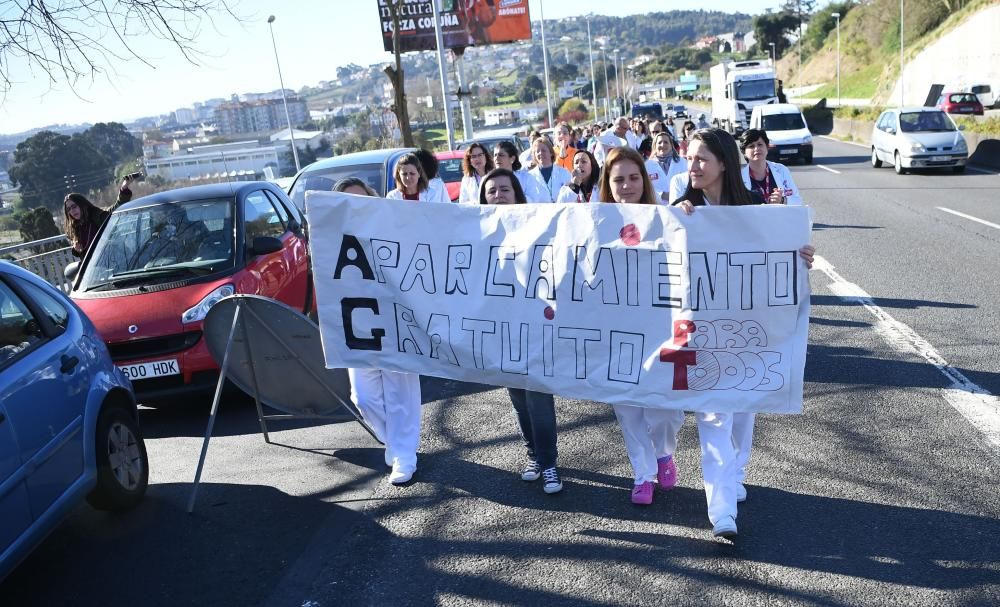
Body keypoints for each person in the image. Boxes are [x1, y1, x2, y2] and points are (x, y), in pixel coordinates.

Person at [672, 128, 815, 538]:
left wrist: (801, 255)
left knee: (743, 412)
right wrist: (674, 223)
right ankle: (721, 514)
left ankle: (736, 473)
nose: (693, 166)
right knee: (713, 415)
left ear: (722, 163)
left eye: (701, 159)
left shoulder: (755, 207)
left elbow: (781, 256)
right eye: (689, 158)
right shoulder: (684, 209)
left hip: (750, 332)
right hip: (700, 335)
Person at [594, 146, 686, 507]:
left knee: (665, 411)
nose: (627, 186)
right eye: (618, 180)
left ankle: (663, 452)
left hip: (660, 329)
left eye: (634, 178)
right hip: (617, 333)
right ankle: (642, 474)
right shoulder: (592, 223)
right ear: (608, 184)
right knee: (628, 409)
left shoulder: (666, 218)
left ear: (645, 181)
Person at [477, 167, 563, 494]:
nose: (498, 195)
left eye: (505, 189)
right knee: (517, 398)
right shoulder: (475, 233)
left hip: (537, 325)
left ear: (517, 194)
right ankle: (535, 456)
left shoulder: (537, 227)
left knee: (538, 395)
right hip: (500, 329)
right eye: (492, 191)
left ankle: (550, 462)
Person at [333, 176, 424, 485]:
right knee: (363, 397)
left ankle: (404, 454)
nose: (356, 205)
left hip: (395, 321)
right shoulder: (329, 237)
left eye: (362, 198)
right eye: (348, 201)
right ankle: (396, 443)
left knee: (401, 393)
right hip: (356, 326)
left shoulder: (392, 227)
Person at [64, 175, 135, 258]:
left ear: (82, 204)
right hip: (96, 268)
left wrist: (123, 189)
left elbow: (116, 208)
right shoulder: (74, 228)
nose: (72, 211)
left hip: (117, 258)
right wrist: (76, 249)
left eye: (74, 206)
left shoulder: (97, 215)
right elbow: (84, 255)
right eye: (69, 209)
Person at [739, 129, 803, 206]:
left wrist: (782, 200)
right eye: (751, 146)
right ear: (744, 152)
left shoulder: (781, 170)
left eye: (760, 144)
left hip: (779, 217)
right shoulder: (739, 177)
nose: (756, 149)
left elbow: (797, 201)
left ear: (767, 147)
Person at [645, 131, 689, 204]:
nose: (662, 145)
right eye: (659, 142)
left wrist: (675, 195)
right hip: (657, 207)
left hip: (680, 207)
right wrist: (662, 195)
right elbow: (645, 188)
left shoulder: (683, 162)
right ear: (654, 146)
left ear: (671, 145)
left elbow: (688, 184)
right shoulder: (647, 165)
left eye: (666, 142)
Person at [527, 136, 572, 203]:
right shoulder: (529, 176)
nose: (540, 153)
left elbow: (571, 197)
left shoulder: (565, 173)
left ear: (551, 153)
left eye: (543, 150)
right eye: (537, 151)